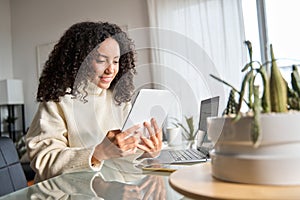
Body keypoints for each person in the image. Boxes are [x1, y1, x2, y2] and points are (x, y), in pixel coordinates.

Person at [26, 21, 163, 182]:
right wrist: (99, 153)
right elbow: (44, 161)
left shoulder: (119, 99)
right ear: (80, 61)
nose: (111, 69)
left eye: (116, 61)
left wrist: (149, 152)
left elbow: (126, 156)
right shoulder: (57, 101)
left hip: (114, 190)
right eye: (101, 60)